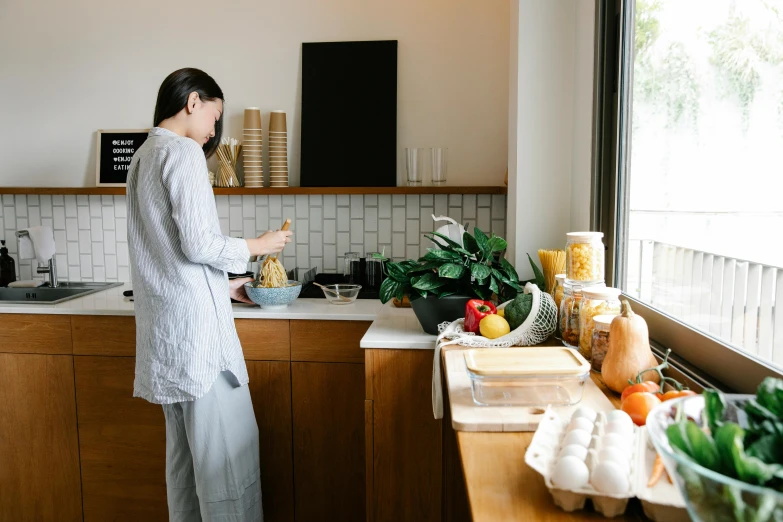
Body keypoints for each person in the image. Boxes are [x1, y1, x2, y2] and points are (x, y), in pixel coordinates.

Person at [126, 67, 291, 522]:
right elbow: (199, 244)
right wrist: (260, 246)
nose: (213, 132)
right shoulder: (181, 153)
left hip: (169, 337)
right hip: (200, 343)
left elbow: (170, 253)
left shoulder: (143, 156)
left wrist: (225, 285)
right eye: (215, 119)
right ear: (193, 101)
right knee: (226, 464)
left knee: (186, 467)